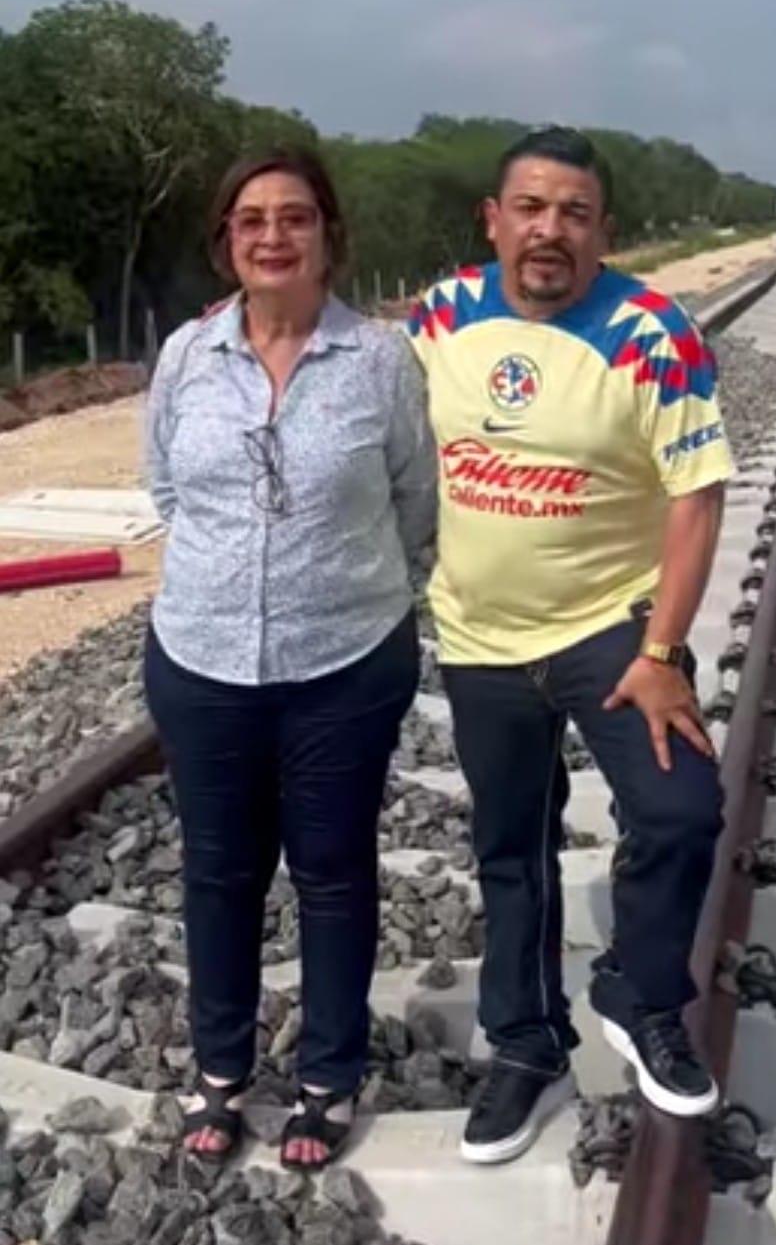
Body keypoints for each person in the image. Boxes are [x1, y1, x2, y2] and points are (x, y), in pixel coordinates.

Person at [407, 126, 735, 1165]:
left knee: (682, 811)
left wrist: (665, 649)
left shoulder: (649, 330)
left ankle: (638, 995)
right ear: (494, 220)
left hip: (614, 631)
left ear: (603, 231)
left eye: (575, 213)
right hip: (479, 636)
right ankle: (525, 1040)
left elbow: (697, 494)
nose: (551, 231)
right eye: (532, 209)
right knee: (512, 848)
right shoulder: (440, 316)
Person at [143, 147, 437, 1170]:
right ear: (226, 240)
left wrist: (348, 592)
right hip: (203, 660)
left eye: (295, 216)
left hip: (345, 664)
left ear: (328, 234)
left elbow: (415, 500)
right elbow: (166, 489)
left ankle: (327, 1078)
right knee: (219, 872)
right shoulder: (186, 356)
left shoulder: (381, 360)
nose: (274, 236)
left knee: (333, 873)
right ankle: (218, 1072)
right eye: (251, 219)